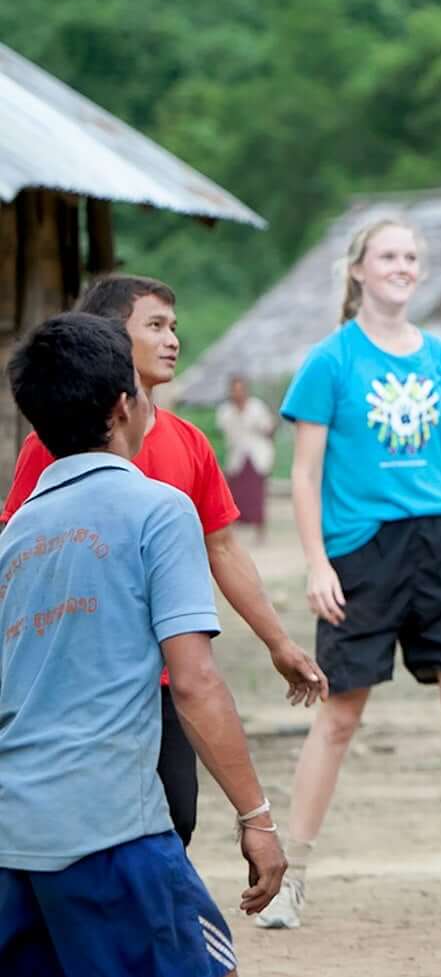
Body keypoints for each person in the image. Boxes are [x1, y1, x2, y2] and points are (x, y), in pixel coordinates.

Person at [255, 217, 441, 929]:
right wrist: (316, 562)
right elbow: (304, 473)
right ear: (357, 269)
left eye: (411, 256)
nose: (402, 266)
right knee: (340, 715)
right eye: (388, 255)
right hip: (362, 551)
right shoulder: (331, 361)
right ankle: (288, 881)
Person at [0, 313, 286, 975]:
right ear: (123, 405)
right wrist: (257, 815)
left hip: (16, 841)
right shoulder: (159, 509)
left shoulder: (14, 539)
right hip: (113, 834)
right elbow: (194, 683)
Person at [1, 275, 326, 849]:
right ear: (110, 340)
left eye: (174, 327)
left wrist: (279, 641)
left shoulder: (190, 443)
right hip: (88, 673)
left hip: (170, 675)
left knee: (176, 817)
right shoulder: (55, 444)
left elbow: (222, 547)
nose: (172, 339)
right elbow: (22, 548)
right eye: (155, 326)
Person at [216, 374, 277, 544]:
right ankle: (232, 535)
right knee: (234, 495)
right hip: (236, 457)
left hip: (256, 456)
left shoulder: (256, 408)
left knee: (256, 496)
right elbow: (225, 433)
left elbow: (269, 428)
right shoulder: (226, 411)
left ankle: (260, 533)